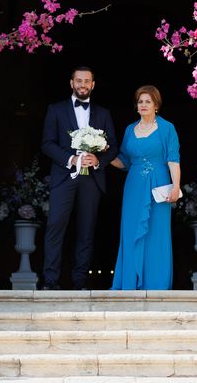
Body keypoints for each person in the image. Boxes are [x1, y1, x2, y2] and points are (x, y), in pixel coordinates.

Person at [41, 66, 118, 290]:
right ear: (71, 83)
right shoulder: (55, 110)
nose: (83, 84)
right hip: (63, 177)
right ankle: (50, 282)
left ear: (93, 85)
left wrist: (99, 160)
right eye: (79, 80)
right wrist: (71, 160)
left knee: (86, 231)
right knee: (55, 227)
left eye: (87, 81)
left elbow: (112, 146)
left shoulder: (103, 113)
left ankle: (80, 282)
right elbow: (47, 144)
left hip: (91, 180)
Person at [110, 85, 181, 290]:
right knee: (131, 232)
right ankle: (131, 282)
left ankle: (156, 284)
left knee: (157, 234)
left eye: (147, 101)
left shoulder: (167, 128)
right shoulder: (129, 129)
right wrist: (102, 154)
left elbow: (173, 159)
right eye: (140, 101)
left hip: (159, 184)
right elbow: (124, 161)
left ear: (156, 105)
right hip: (133, 186)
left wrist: (176, 186)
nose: (143, 105)